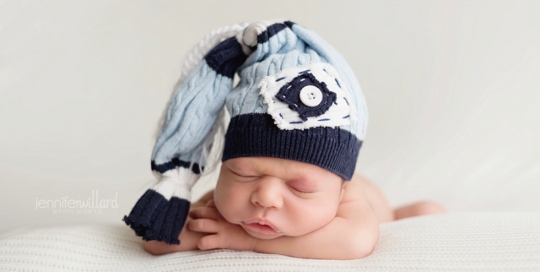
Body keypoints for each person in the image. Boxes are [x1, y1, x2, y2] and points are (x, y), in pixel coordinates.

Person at [123, 21, 445, 260]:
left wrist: (247, 241)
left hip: (378, 206)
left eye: (299, 188)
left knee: (413, 213)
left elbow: (355, 241)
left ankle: (404, 212)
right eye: (244, 173)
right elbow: (157, 239)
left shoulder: (349, 199)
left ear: (340, 188)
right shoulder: (225, 204)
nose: (265, 196)